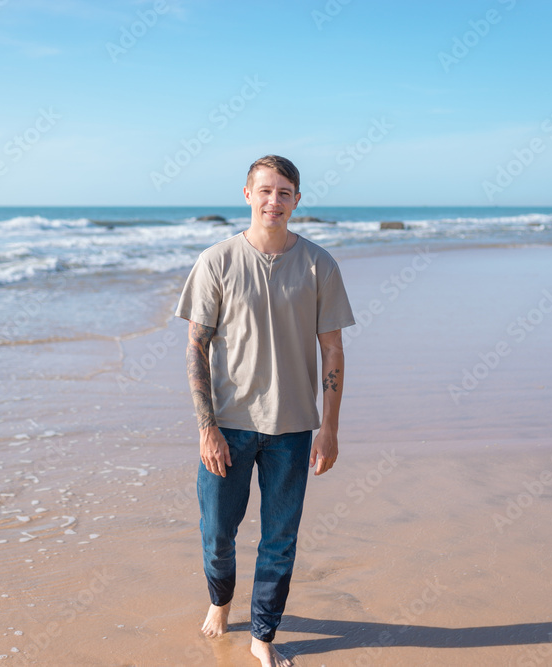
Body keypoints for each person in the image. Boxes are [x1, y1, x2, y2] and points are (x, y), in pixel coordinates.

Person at [174, 155, 355, 667]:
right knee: (217, 534)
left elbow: (334, 351)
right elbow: (195, 348)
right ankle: (220, 602)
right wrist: (206, 427)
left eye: (284, 192)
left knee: (280, 539)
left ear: (297, 200)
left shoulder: (320, 265)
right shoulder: (217, 261)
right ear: (247, 194)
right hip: (228, 427)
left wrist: (331, 430)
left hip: (294, 428)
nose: (273, 201)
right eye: (265, 190)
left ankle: (262, 635)